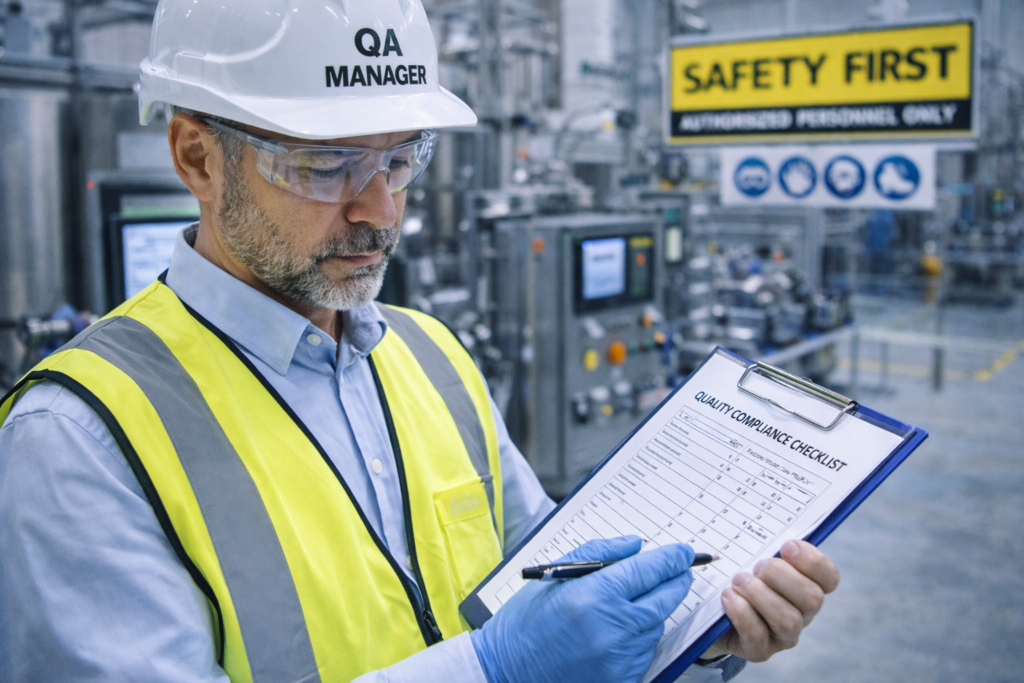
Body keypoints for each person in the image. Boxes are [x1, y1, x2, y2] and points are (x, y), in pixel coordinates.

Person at [0, 1, 840, 681]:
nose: (381, 211)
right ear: (198, 156)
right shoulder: (78, 438)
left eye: (401, 160)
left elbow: (555, 599)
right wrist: (494, 668)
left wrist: (691, 632)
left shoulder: (430, 353)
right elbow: (518, 651)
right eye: (326, 166)